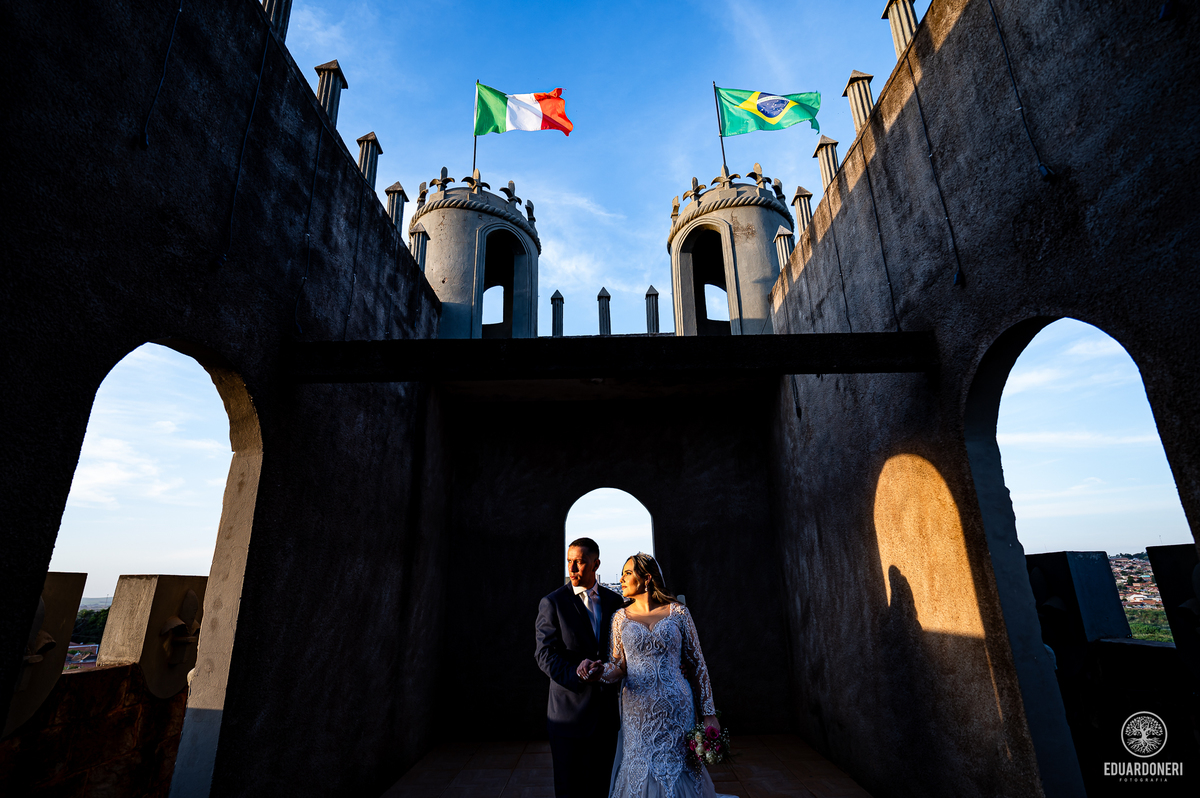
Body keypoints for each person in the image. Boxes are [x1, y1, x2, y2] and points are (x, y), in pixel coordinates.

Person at [577, 552, 722, 798]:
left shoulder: (678, 613)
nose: (621, 579)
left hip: (678, 709)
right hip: (638, 714)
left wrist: (709, 715)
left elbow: (697, 665)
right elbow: (618, 666)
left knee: (682, 771)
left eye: (627, 573)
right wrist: (600, 672)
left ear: (646, 579)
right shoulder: (620, 618)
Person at [536, 537, 628, 798]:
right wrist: (576, 672)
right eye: (569, 562)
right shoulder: (552, 603)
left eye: (580, 562)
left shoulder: (614, 602)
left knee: (601, 787)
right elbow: (544, 654)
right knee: (570, 790)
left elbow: (625, 652)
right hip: (568, 715)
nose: (573, 569)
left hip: (606, 717)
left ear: (596, 564)